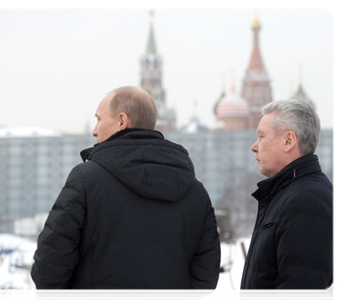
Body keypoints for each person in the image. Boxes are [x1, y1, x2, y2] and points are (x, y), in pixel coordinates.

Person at [31, 86, 220, 300]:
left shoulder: (86, 180)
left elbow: (51, 261)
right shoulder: (195, 191)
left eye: (99, 119)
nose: (94, 130)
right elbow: (206, 273)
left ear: (122, 121)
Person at [239, 99, 337, 300]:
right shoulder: (288, 195)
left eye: (261, 137)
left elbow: (302, 290)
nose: (254, 147)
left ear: (288, 141)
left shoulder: (306, 202)